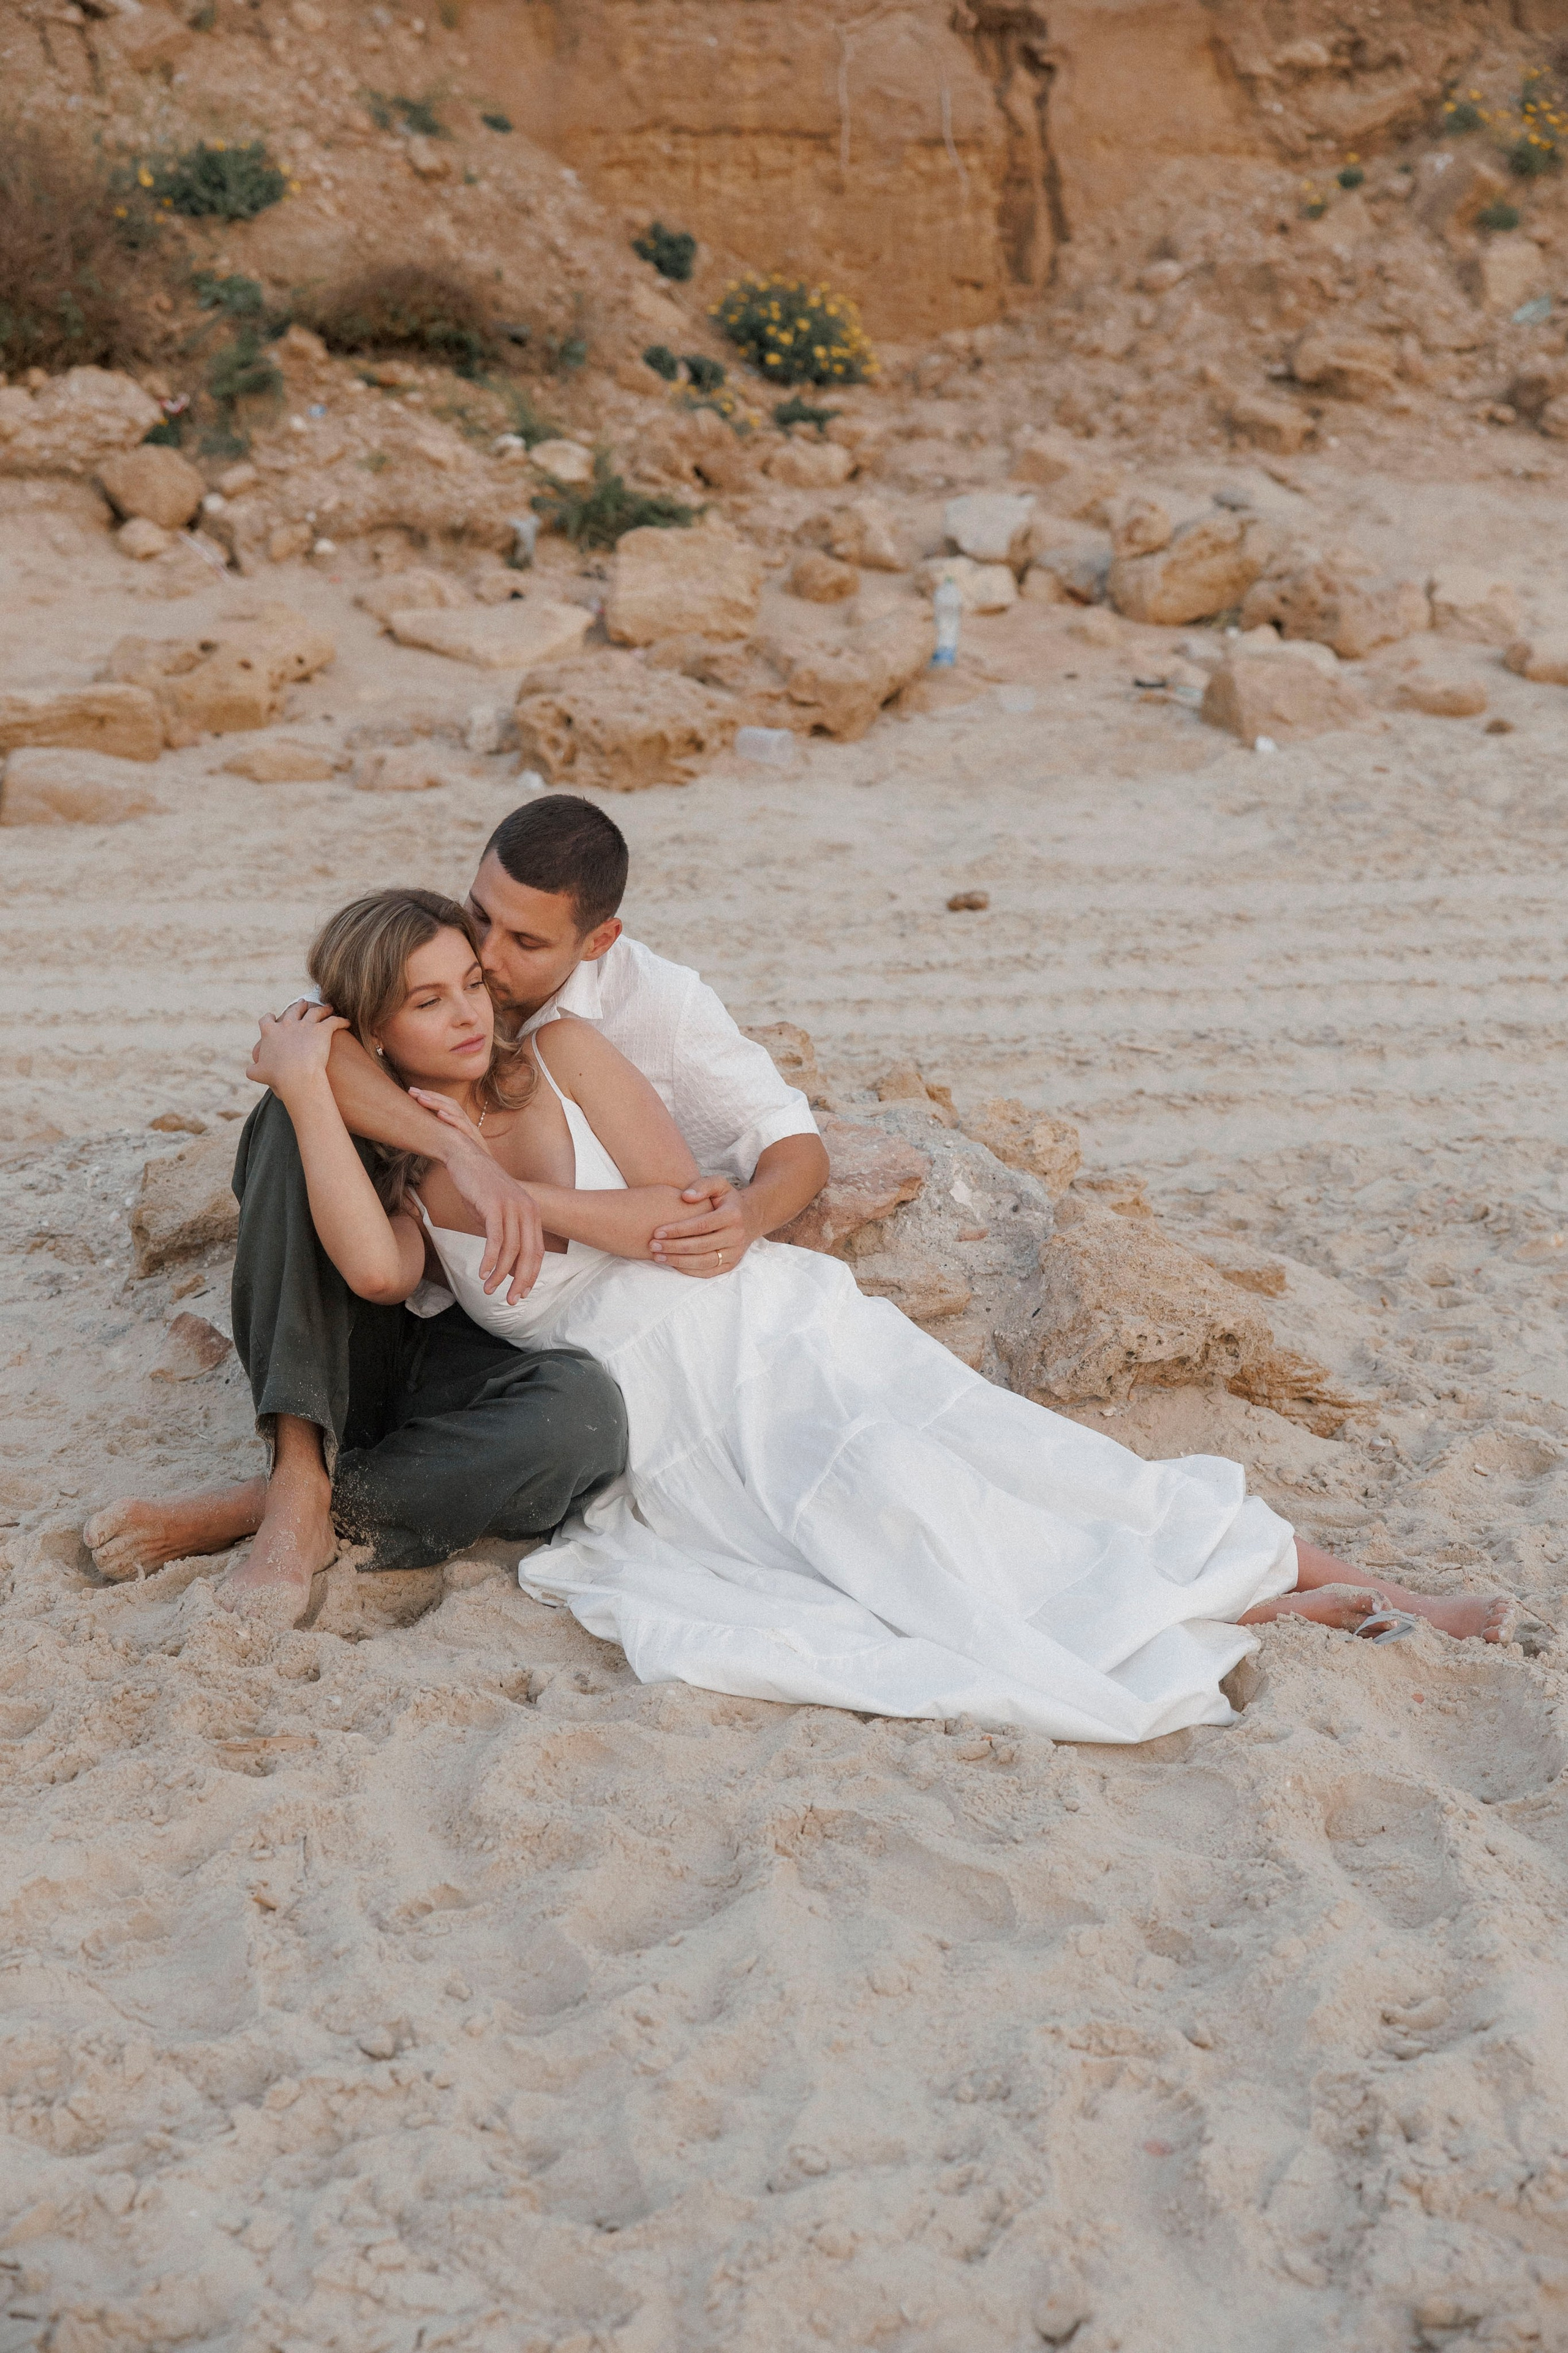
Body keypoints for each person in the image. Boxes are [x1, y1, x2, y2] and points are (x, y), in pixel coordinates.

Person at [202, 886, 1509, 1741]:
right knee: (885, 1529)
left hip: (766, 1318)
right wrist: (316, 1092)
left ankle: (1373, 1585)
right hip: (659, 1403)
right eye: (427, 1001)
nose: (468, 1013)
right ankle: (1235, 1621)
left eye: (470, 983)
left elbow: (680, 1208)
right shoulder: (405, 1168)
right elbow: (377, 1276)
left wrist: (514, 1191)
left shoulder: (563, 1054)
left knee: (1030, 1460)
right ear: (376, 1028)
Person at [83, 798, 830, 1622]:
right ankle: (296, 1472)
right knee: (290, 1113)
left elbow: (785, 1145)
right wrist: (447, 1150)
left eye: (515, 951)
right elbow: (306, 1044)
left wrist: (744, 1215)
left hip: (516, 1349)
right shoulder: (423, 957)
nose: (487, 968)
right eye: (480, 919)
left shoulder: (627, 1019)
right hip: (394, 1319)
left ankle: (280, 1507)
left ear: (596, 942)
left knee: (579, 1421)